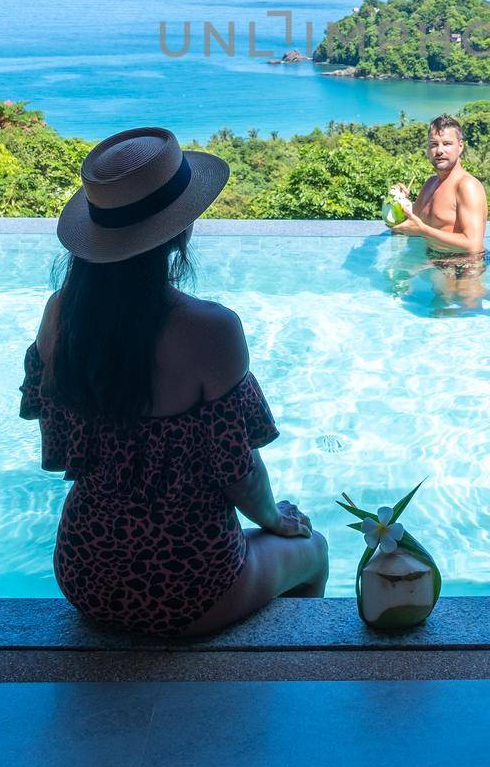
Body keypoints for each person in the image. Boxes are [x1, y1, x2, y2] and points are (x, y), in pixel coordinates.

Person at [19, 126, 327, 637]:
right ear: (179, 231)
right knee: (312, 549)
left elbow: (60, 442)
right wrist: (275, 521)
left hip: (84, 572)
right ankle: (288, 661)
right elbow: (239, 470)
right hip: (191, 584)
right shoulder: (211, 331)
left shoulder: (60, 317)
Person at [388, 115, 490, 306]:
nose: (439, 151)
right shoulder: (430, 184)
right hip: (434, 259)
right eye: (434, 144)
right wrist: (398, 202)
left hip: (463, 264)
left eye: (447, 143)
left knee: (459, 309)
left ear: (460, 146)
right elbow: (406, 227)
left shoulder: (467, 186)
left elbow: (473, 245)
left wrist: (423, 230)